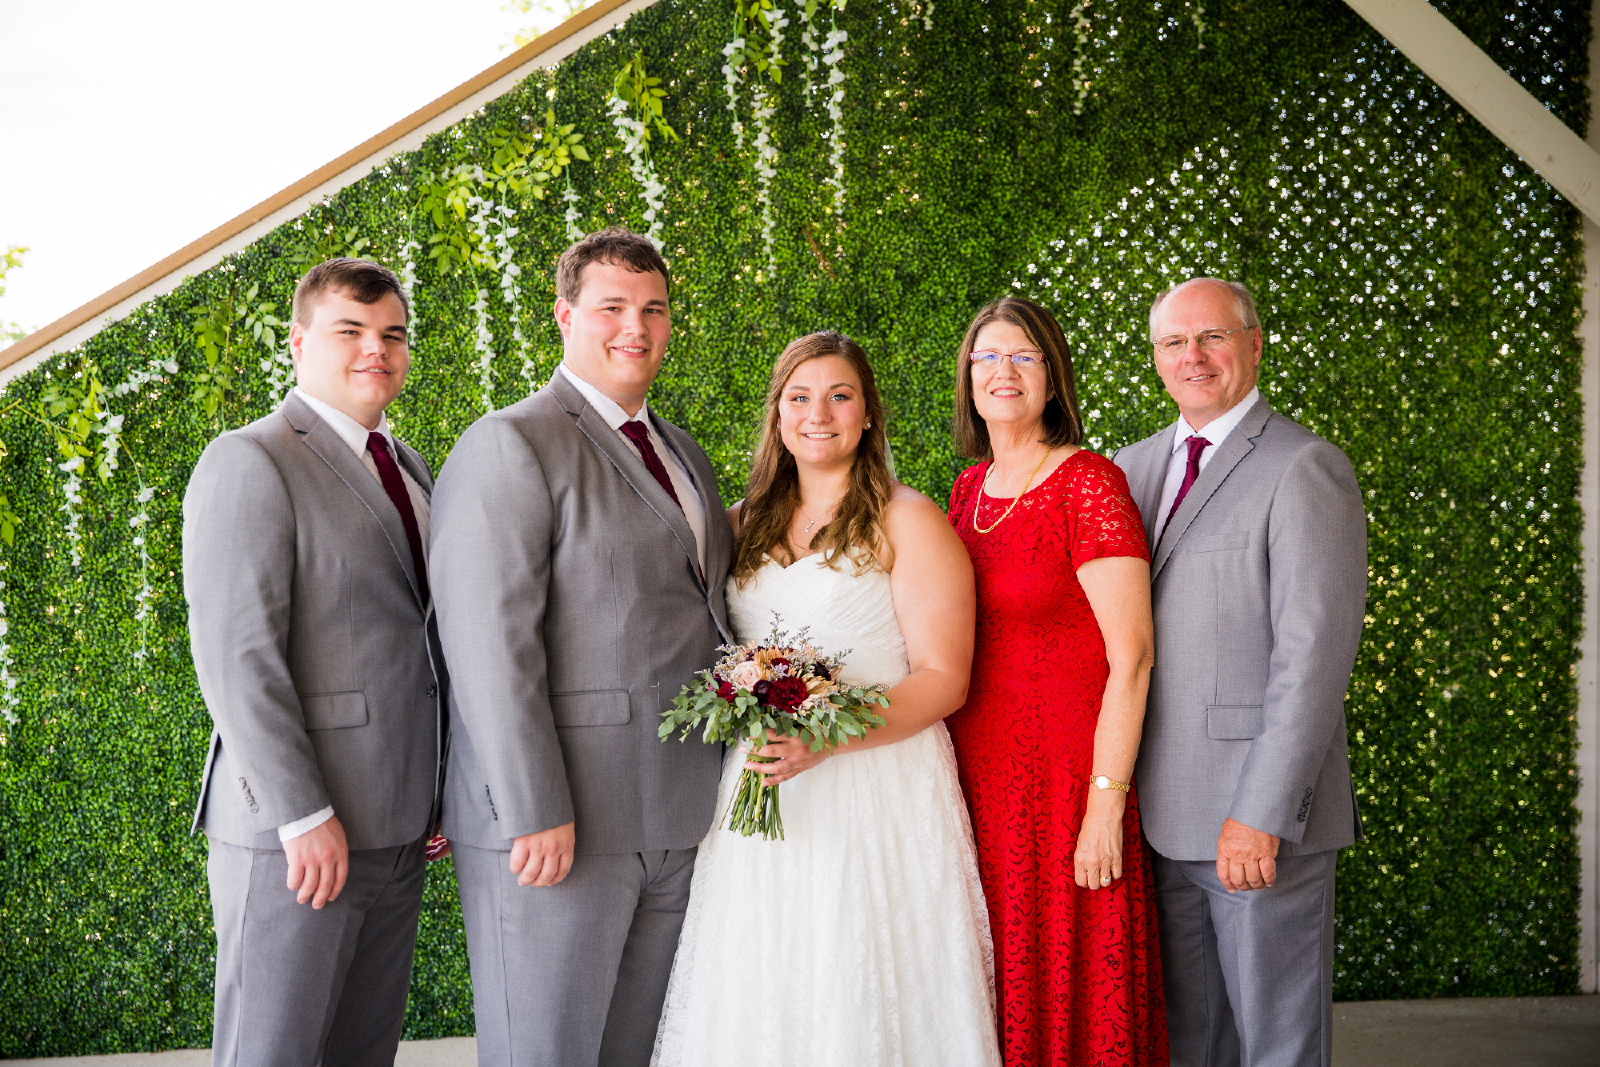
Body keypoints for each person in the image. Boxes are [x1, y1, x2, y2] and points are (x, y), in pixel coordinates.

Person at [652, 331, 1000, 1067]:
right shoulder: (739, 525)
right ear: (777, 415)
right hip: (764, 787)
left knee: (866, 972)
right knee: (761, 978)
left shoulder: (909, 519)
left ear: (869, 413)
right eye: (800, 397)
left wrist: (830, 737)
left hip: (879, 786)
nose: (820, 413)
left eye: (840, 395)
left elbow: (945, 676)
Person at [429, 228, 734, 1067]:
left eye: (653, 309)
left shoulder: (686, 454)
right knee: (545, 1053)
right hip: (561, 822)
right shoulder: (510, 442)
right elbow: (488, 644)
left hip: (679, 811)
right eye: (611, 307)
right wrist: (534, 806)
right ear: (565, 316)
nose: (634, 326)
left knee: (633, 1054)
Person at [183, 258, 445, 1066]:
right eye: (352, 331)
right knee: (273, 1052)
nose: (378, 348)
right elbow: (236, 656)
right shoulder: (250, 459)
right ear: (299, 343)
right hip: (298, 834)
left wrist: (438, 790)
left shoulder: (409, 468)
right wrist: (300, 814)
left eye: (393, 334)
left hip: (400, 829)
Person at [1111, 277, 1366, 1067]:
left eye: (1213, 337)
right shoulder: (1130, 468)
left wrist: (1261, 811)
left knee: (1278, 1045)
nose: (1194, 356)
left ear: (1254, 344)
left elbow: (1313, 657)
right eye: (1173, 343)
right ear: (1155, 359)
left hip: (1255, 825)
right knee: (1191, 1044)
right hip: (1155, 815)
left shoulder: (1305, 466)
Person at [944, 297, 1168, 1067]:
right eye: (988, 358)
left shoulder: (1090, 484)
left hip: (1068, 779)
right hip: (979, 781)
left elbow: (1132, 656)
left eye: (1024, 357)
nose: (1003, 372)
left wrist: (1106, 801)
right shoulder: (967, 492)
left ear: (1054, 376)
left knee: (1074, 988)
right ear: (968, 378)